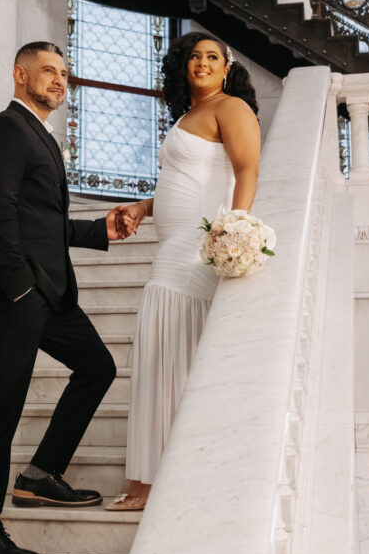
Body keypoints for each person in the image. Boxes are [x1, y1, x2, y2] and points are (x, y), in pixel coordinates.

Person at [0, 41, 136, 554]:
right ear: (20, 74)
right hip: (16, 294)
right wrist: (20, 290)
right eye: (48, 71)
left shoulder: (38, 134)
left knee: (98, 367)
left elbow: (39, 221)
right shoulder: (5, 130)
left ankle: (39, 475)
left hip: (48, 293)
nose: (60, 80)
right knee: (0, 410)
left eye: (64, 73)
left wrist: (98, 229)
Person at [107, 33, 261, 511]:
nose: (202, 62)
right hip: (173, 243)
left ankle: (159, 483)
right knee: (159, 355)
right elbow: (187, 181)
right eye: (195, 56)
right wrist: (143, 206)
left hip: (197, 250)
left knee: (170, 355)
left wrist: (235, 229)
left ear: (227, 68)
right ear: (183, 65)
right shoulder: (187, 115)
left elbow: (247, 170)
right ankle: (150, 478)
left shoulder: (231, 107)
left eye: (213, 57)